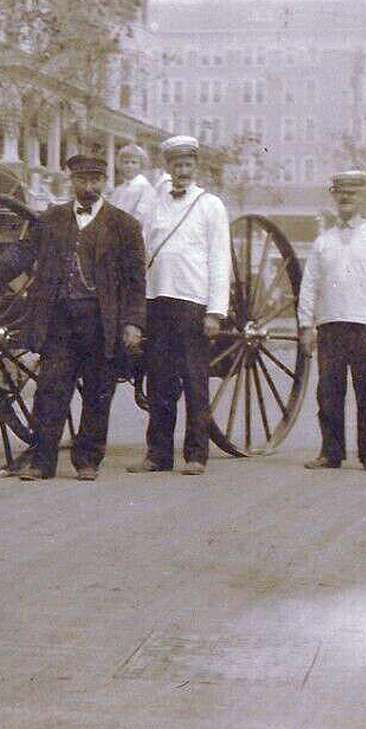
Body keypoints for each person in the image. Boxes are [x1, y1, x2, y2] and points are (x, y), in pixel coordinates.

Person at [0, 153, 145, 480]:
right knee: (50, 390)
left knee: (99, 392)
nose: (89, 186)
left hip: (102, 321)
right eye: (82, 180)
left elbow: (135, 280)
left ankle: (87, 461)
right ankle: (41, 462)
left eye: (96, 180)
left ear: (105, 182)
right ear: (72, 182)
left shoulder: (125, 225)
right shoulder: (51, 220)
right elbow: (20, 255)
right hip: (60, 319)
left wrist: (133, 323)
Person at [132, 134, 230, 476]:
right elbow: (142, 249)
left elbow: (219, 260)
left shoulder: (210, 205)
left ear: (196, 167)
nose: (182, 171)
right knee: (159, 380)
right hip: (157, 300)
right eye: (176, 164)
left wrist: (215, 311)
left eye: (188, 164)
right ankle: (158, 454)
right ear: (167, 167)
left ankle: (196, 454)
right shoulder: (154, 202)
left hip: (193, 302)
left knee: (194, 381)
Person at [296, 170, 366, 471]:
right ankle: (331, 452)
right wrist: (306, 326)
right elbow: (309, 286)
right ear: (334, 197)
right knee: (328, 391)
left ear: (362, 197)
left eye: (351, 194)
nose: (345, 199)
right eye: (340, 194)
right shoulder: (323, 242)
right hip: (330, 325)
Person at [108, 143, 157, 222]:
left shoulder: (146, 188)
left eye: (134, 162)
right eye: (126, 162)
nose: (129, 166)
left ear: (141, 165)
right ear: (120, 165)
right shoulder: (118, 190)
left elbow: (140, 217)